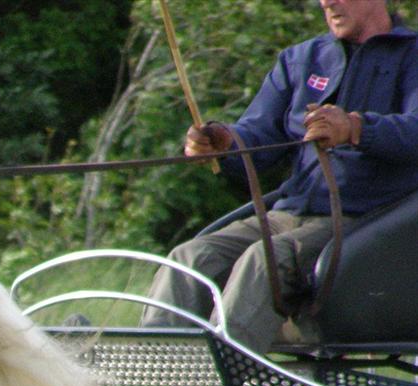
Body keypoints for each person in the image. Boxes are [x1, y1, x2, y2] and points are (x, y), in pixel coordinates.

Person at [142, 0, 418, 354]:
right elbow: (260, 140)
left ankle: (214, 384)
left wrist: (355, 128)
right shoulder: (301, 59)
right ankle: (150, 378)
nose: (326, 2)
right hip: (288, 213)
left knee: (265, 260)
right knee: (189, 257)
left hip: (368, 222)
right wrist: (225, 143)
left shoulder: (411, 55)